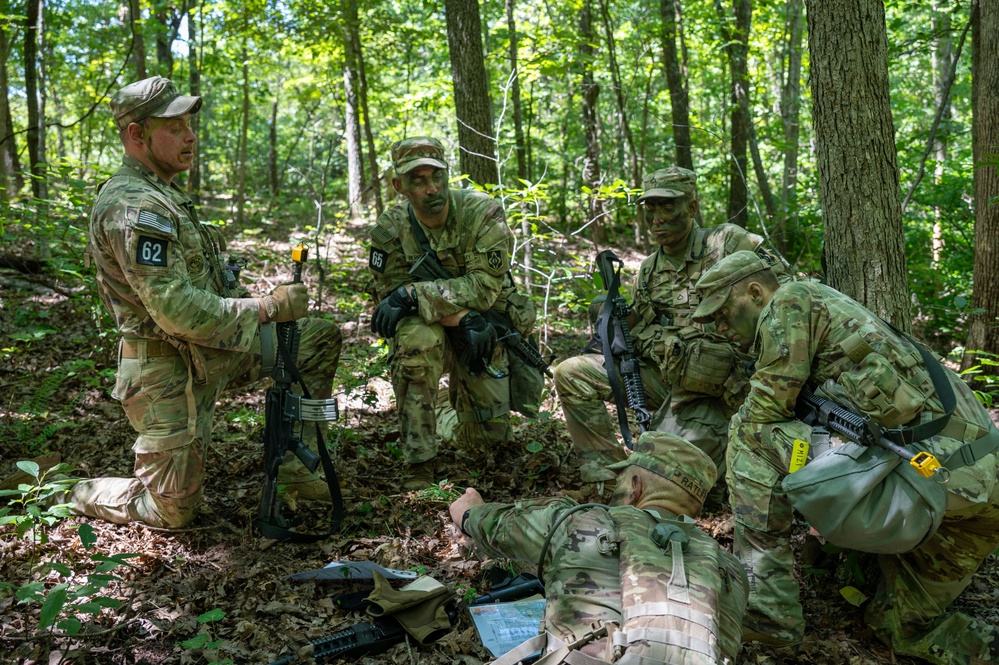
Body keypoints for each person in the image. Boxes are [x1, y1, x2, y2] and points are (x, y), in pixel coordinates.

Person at [692, 250, 999, 663]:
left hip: (924, 485)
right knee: (897, 628)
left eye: (723, 312)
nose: (721, 328)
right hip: (979, 497)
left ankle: (770, 608)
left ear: (755, 291)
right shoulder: (838, 310)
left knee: (748, 432)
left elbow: (765, 410)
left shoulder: (789, 300)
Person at [75, 76, 342, 529]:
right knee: (173, 512)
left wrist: (250, 300)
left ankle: (295, 467)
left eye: (189, 125)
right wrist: (265, 307)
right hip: (168, 372)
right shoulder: (133, 205)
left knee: (315, 339)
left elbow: (207, 286)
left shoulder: (167, 195)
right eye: (175, 127)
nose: (191, 136)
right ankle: (78, 490)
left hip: (215, 351)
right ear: (136, 134)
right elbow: (175, 309)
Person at [553, 166, 783, 500]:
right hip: (668, 380)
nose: (657, 217)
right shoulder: (648, 269)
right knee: (571, 373)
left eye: (668, 206)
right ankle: (604, 475)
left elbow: (782, 298)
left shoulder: (727, 243)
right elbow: (642, 335)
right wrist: (622, 323)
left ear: (691, 208)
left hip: (721, 392)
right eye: (651, 208)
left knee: (669, 484)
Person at [449, 431, 749, 664]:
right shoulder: (731, 572)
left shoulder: (582, 522)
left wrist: (469, 511)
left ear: (635, 486)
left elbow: (493, 526)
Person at [367, 137, 536, 490]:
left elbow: (484, 288)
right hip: (438, 329)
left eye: (437, 177)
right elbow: (390, 307)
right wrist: (460, 316)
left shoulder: (481, 213)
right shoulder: (389, 232)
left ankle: (443, 408)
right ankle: (419, 462)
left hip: (483, 330)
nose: (432, 189)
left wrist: (416, 293)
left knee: (488, 442)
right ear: (399, 186)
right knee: (416, 342)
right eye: (418, 180)